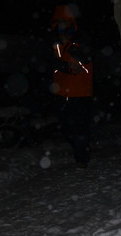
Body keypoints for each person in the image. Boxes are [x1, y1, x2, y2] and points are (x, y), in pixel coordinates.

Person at [50, 4, 93, 168]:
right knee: (66, 127)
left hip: (81, 92)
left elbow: (85, 57)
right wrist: (66, 66)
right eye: (59, 21)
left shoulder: (81, 37)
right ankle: (79, 151)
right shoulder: (55, 41)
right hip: (62, 92)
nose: (61, 24)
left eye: (64, 21)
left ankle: (82, 160)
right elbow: (54, 61)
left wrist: (71, 59)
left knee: (80, 127)